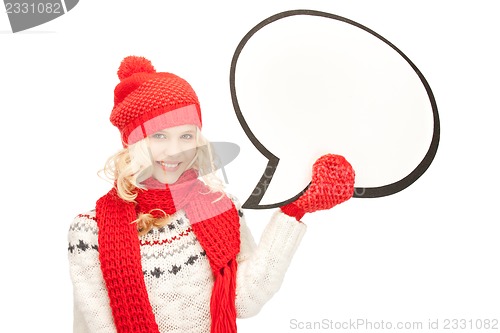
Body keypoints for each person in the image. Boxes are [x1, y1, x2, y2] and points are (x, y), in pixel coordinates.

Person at [67, 55, 355, 333]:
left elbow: (244, 301)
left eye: (186, 136)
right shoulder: (90, 231)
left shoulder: (221, 207)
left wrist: (294, 211)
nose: (175, 150)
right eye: (159, 136)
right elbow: (101, 326)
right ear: (136, 141)